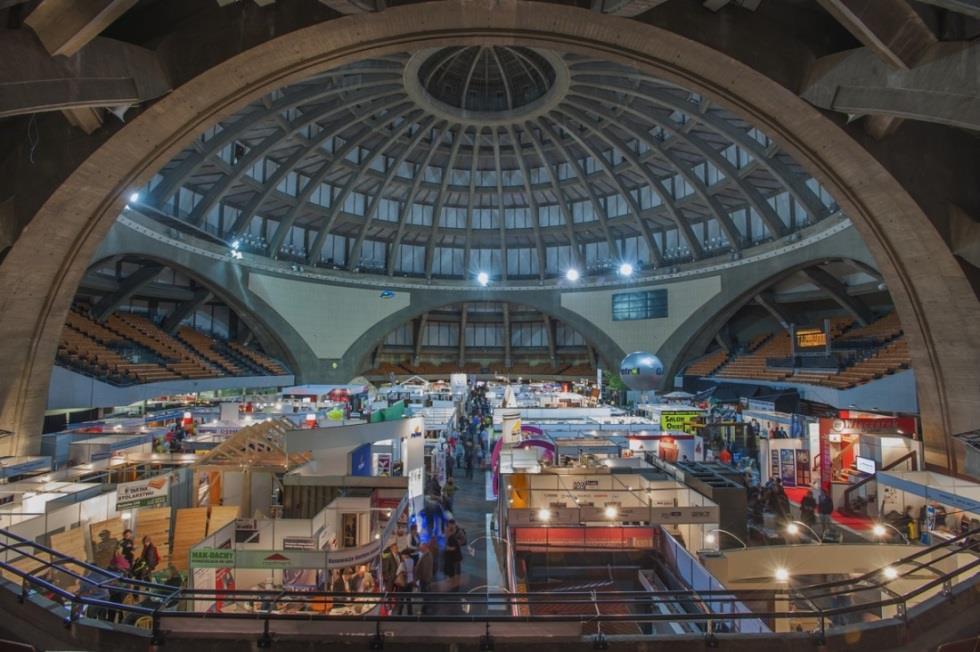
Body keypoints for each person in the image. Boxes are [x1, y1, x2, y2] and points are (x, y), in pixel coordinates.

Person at [414, 542, 434, 614]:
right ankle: (425, 611)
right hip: (425, 579)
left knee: (425, 596)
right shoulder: (426, 555)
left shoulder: (427, 556)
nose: (420, 548)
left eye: (421, 547)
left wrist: (419, 578)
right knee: (425, 596)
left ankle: (424, 612)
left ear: (425, 547)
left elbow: (425, 569)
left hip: (425, 580)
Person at [395, 549, 415, 615]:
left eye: (402, 555)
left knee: (401, 599)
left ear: (405, 555)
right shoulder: (412, 561)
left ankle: (399, 613)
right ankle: (410, 613)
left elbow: (397, 572)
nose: (402, 556)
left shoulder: (403, 563)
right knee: (409, 599)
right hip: (410, 581)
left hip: (403, 583)